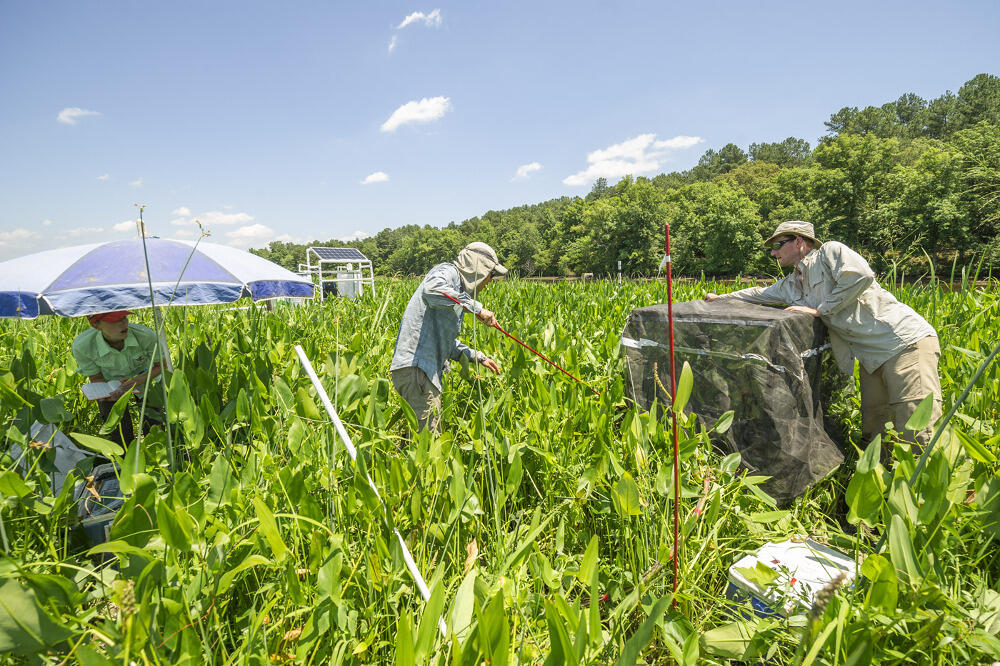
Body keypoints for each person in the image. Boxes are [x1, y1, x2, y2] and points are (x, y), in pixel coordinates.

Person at [705, 221, 942, 455]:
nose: (773, 252)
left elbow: (861, 275)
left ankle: (922, 488)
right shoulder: (791, 283)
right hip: (871, 358)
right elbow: (758, 294)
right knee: (876, 425)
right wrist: (721, 298)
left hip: (904, 343)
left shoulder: (830, 252)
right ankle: (883, 485)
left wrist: (820, 310)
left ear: (799, 241)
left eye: (778, 244)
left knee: (916, 426)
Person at [390, 242, 506, 433]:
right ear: (478, 268)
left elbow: (445, 342)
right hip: (417, 370)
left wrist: (476, 356)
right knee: (429, 445)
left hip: (420, 372)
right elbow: (432, 289)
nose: (490, 281)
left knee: (418, 439)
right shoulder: (447, 272)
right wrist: (476, 308)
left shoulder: (457, 293)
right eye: (491, 274)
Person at [72, 311, 164, 448]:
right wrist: (105, 392)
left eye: (124, 317)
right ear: (96, 325)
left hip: (147, 377)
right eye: (114, 321)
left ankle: (156, 454)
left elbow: (161, 366)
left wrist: (138, 380)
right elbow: (96, 377)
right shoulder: (83, 346)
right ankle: (125, 459)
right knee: (118, 428)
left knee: (154, 424)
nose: (123, 323)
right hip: (110, 384)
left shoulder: (145, 336)